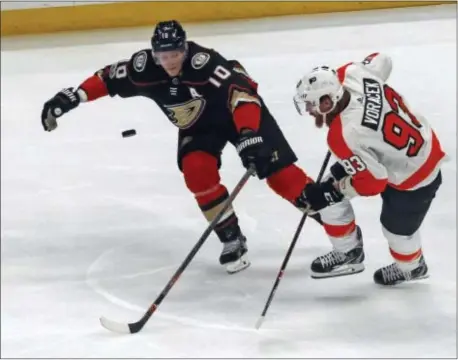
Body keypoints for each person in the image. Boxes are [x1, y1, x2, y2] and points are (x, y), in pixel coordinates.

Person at [41, 20, 358, 275]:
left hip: (241, 114)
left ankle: (345, 238)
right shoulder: (143, 68)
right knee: (196, 172)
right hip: (199, 126)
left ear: (184, 48)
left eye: (175, 54)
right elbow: (108, 77)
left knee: (279, 176)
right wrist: (72, 97)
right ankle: (231, 237)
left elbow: (242, 92)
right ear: (154, 54)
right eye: (163, 56)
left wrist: (249, 134)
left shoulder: (205, 62)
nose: (170, 63)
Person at [292, 52, 446, 285]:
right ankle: (348, 252)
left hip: (415, 176)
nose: (309, 109)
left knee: (396, 231)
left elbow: (374, 183)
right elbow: (381, 58)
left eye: (311, 104)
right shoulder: (352, 72)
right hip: (412, 145)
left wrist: (335, 190)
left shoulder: (345, 135)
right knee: (325, 187)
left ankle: (413, 267)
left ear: (327, 101)